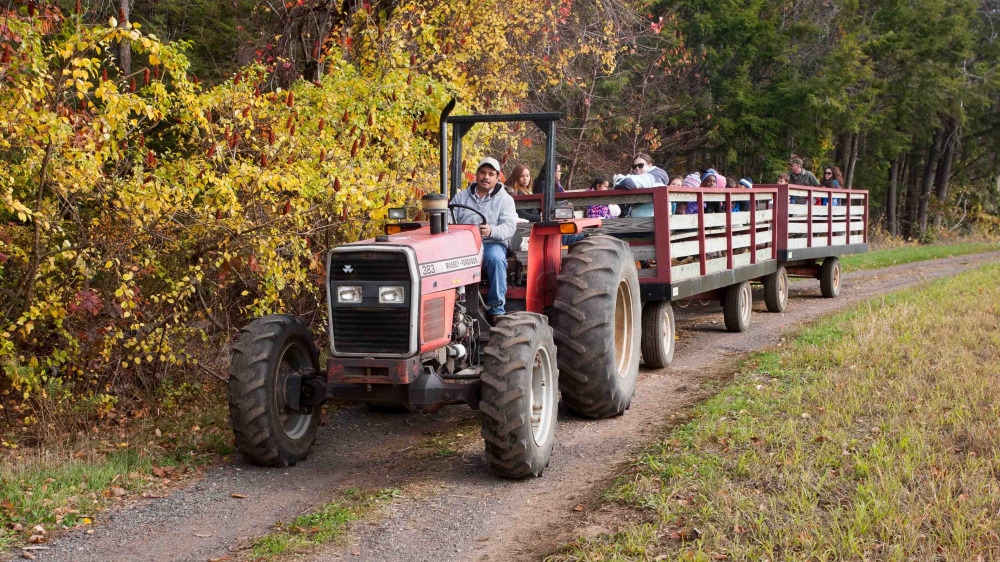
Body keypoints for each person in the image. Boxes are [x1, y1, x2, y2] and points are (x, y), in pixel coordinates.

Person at [450, 157, 517, 317]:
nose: (486, 177)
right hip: (464, 245)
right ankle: (452, 306)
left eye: (491, 174)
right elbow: (449, 217)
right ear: (476, 174)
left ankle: (496, 309)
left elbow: (509, 227)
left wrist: (491, 231)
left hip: (490, 243)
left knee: (496, 259)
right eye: (483, 172)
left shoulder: (505, 200)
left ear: (497, 177)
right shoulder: (461, 197)